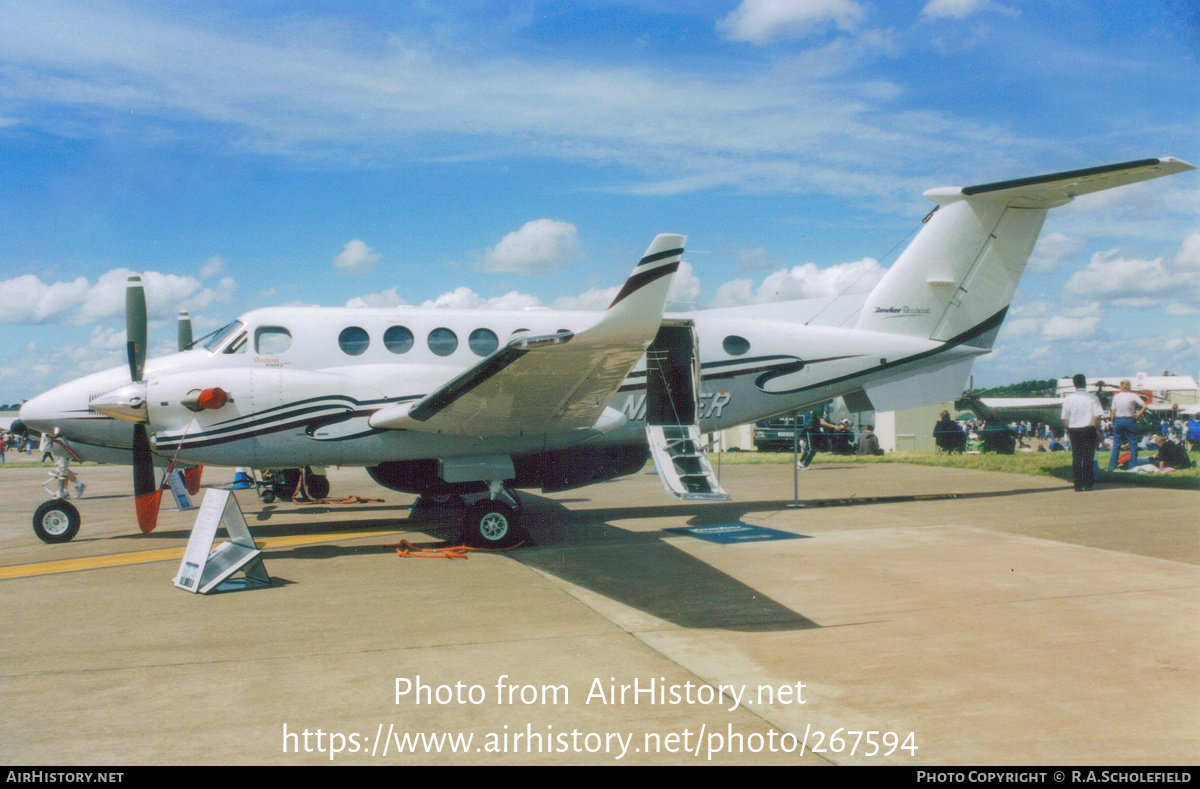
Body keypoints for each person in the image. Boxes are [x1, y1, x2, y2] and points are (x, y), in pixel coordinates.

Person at [1061, 373, 1104, 492]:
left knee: (1076, 456)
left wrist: (1069, 430)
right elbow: (1097, 417)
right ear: (1085, 382)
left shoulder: (1068, 399)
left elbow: (1064, 418)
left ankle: (1078, 484)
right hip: (1089, 429)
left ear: (1074, 384)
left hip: (1075, 429)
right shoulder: (1093, 398)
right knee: (1088, 457)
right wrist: (1097, 429)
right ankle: (1088, 484)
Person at [1107, 380, 1147, 471]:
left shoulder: (1116, 397)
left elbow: (1113, 411)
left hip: (1119, 419)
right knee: (1133, 443)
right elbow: (1145, 406)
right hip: (1130, 419)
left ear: (1120, 387)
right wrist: (1138, 414)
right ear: (1129, 386)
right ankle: (1132, 466)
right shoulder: (1133, 396)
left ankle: (1112, 466)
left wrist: (1112, 422)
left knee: (1116, 444)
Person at [797, 404, 842, 469]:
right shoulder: (819, 406)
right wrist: (834, 426)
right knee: (811, 449)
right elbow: (822, 422)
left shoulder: (821, 406)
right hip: (810, 428)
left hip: (815, 428)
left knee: (814, 449)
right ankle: (800, 463)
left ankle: (804, 465)